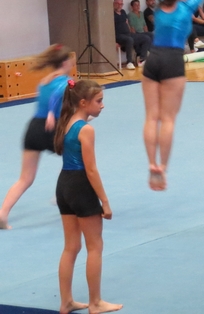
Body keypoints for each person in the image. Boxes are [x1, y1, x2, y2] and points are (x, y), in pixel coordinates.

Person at [54, 79, 121, 314]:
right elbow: (91, 169)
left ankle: (66, 301)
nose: (102, 105)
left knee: (71, 247)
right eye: (99, 101)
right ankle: (95, 302)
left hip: (64, 184)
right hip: (81, 186)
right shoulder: (86, 130)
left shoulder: (66, 122)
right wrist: (105, 201)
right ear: (83, 102)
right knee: (95, 246)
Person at [142, 0, 204, 191]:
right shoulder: (186, 6)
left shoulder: (159, 5)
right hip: (172, 60)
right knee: (168, 119)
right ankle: (162, 166)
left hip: (152, 58)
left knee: (152, 117)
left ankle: (151, 162)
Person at [0, 45, 73, 230]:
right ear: (65, 63)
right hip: (53, 127)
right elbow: (59, 97)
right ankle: (62, 195)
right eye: (71, 62)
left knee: (25, 178)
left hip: (34, 129)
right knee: (75, 161)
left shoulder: (44, 81)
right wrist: (53, 114)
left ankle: (3, 213)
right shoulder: (67, 82)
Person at [113, 0, 151, 69]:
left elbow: (127, 23)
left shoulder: (123, 12)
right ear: (114, 4)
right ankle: (129, 62)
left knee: (146, 38)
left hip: (127, 34)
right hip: (118, 35)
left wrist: (130, 31)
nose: (119, 5)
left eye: (121, 4)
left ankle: (142, 59)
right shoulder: (112, 14)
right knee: (129, 40)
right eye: (117, 3)